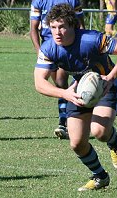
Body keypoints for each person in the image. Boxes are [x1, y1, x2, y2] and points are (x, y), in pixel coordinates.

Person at [34, 3, 117, 191]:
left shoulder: (92, 39)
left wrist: (110, 78)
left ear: (72, 25)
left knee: (99, 132)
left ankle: (114, 142)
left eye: (62, 26)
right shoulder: (48, 48)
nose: (57, 32)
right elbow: (39, 83)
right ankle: (100, 176)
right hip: (79, 90)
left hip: (105, 86)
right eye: (53, 27)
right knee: (77, 143)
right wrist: (64, 93)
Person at [30, 0, 85, 139]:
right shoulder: (38, 1)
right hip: (49, 49)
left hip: (69, 46)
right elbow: (33, 29)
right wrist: (40, 52)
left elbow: (81, 25)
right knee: (59, 85)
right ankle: (66, 120)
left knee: (62, 81)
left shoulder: (73, 1)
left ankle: (65, 121)